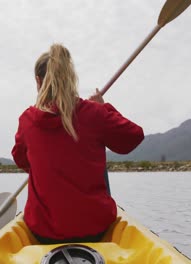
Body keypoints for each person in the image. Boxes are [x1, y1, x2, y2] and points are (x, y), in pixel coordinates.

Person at [12, 43, 144, 244]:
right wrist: (105, 107)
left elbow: (21, 160)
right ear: (70, 78)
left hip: (44, 232)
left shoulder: (27, 121)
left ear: (38, 82)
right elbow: (133, 136)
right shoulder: (95, 113)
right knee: (97, 152)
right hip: (95, 229)